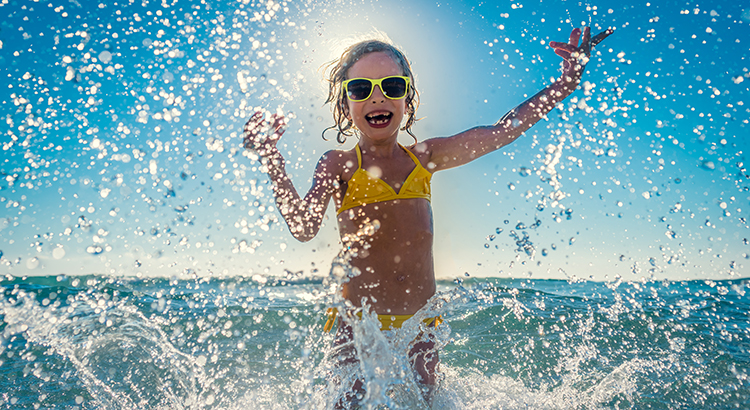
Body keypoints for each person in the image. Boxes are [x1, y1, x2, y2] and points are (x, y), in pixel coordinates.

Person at [243, 26, 613, 407]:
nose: (377, 97)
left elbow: (503, 131)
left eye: (391, 86)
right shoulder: (339, 164)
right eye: (360, 90)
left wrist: (566, 84)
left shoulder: (425, 158)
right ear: (345, 104)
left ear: (408, 97)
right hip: (357, 327)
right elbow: (304, 227)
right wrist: (272, 160)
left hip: (420, 327)